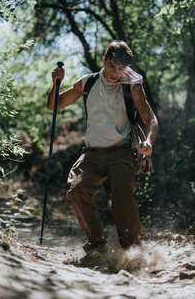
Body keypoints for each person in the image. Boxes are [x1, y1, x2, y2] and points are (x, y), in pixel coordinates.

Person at [47, 40, 158, 253]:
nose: (116, 72)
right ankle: (97, 244)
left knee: (123, 194)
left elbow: (150, 117)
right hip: (91, 152)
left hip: (120, 150)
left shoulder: (132, 86)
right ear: (103, 60)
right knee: (77, 189)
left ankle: (131, 249)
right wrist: (56, 84)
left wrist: (148, 141)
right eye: (112, 66)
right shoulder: (87, 83)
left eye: (121, 67)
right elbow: (54, 105)